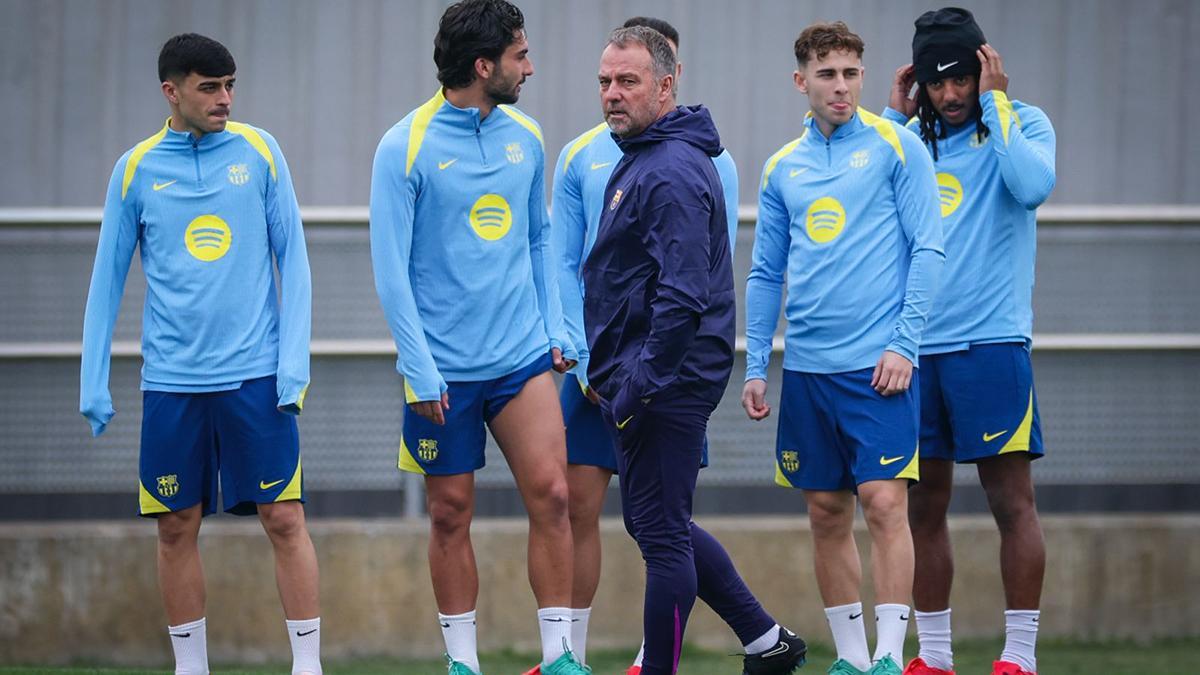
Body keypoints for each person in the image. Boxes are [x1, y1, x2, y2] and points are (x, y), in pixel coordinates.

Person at [550, 17, 799, 675]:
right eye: (605, 81)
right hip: (646, 379)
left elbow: (685, 296)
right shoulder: (644, 156)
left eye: (627, 81)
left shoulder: (670, 170)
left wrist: (637, 386)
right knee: (658, 524)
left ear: (665, 87)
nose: (612, 94)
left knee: (661, 538)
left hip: (663, 384)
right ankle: (765, 640)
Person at [80, 33, 320, 675]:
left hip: (256, 378)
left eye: (230, 86)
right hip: (171, 383)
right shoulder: (135, 169)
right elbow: (106, 279)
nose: (225, 99)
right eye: (209, 87)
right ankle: (191, 669)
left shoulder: (260, 151)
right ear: (172, 91)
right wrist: (92, 381)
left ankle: (308, 666)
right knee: (174, 526)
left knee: (284, 517)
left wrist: (293, 367)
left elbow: (294, 260)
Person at [368, 1, 585, 673]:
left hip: (521, 359)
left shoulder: (527, 136)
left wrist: (556, 327)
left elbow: (540, 238)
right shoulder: (403, 146)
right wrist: (418, 367)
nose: (530, 67)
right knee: (449, 512)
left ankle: (559, 656)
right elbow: (390, 272)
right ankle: (462, 661)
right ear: (484, 66)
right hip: (442, 372)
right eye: (520, 55)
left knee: (554, 496)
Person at [742, 21, 944, 675]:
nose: (840, 86)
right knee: (827, 512)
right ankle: (853, 658)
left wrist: (904, 345)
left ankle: (889, 654)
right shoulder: (782, 166)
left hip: (879, 368)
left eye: (851, 73)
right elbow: (766, 273)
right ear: (801, 81)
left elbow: (928, 249)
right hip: (807, 371)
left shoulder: (897, 146)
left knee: (885, 503)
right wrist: (755, 365)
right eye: (826, 74)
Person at [880, 8, 1055, 675]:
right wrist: (892, 119)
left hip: (992, 345)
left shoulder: (1023, 123)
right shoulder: (909, 140)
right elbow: (867, 205)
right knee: (922, 505)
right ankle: (935, 656)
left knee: (1011, 501)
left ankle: (1019, 656)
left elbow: (1031, 187)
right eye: (936, 83)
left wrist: (998, 104)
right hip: (916, 351)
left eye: (961, 80)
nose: (950, 95)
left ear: (985, 70)